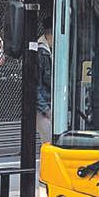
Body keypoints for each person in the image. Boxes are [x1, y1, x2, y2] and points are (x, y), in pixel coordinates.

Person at [35, 17, 54, 145]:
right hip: (44, 108)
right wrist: (45, 109)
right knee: (48, 142)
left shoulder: (50, 51)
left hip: (47, 106)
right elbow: (36, 86)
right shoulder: (41, 53)